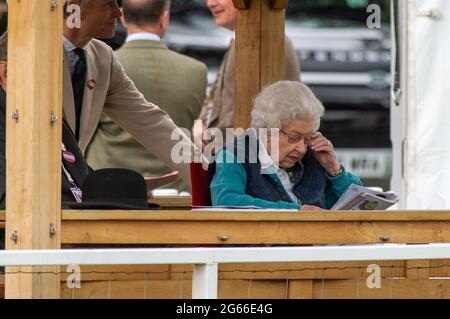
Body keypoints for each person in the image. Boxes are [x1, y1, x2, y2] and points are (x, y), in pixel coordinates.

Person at [56, 0, 196, 187]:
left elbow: (151, 122)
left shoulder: (103, 57)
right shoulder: (22, 52)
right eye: (108, 4)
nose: (118, 13)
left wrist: (208, 179)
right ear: (73, 7)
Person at [209, 81, 362, 210]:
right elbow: (226, 203)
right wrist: (296, 212)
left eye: (307, 138)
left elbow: (361, 206)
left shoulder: (313, 155)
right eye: (294, 137)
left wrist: (335, 170)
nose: (302, 148)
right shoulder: (234, 155)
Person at [192, 0, 301, 148]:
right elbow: (216, 96)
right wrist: (200, 122)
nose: (210, 3)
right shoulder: (243, 40)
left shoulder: (261, 43)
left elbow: (256, 123)